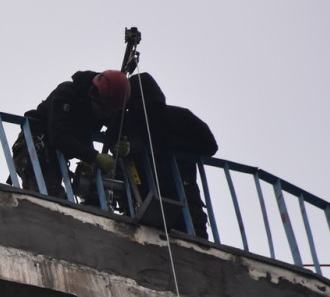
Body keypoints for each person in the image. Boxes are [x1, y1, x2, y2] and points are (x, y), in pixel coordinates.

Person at [118, 72, 218, 238]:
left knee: (193, 239)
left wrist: (171, 146)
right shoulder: (132, 122)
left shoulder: (180, 118)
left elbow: (210, 146)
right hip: (148, 199)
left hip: (184, 198)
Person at [12, 69, 130, 197]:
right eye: (103, 110)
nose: (103, 115)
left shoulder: (103, 109)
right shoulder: (67, 93)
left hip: (54, 159)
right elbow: (58, 136)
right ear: (93, 95)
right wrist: (94, 156)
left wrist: (122, 144)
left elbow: (116, 127)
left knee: (60, 197)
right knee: (52, 196)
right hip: (34, 149)